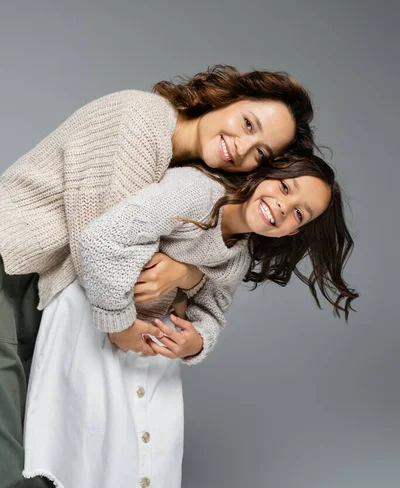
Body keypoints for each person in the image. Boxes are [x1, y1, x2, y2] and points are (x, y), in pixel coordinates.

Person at [0, 64, 315, 487]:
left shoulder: (184, 168)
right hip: (8, 264)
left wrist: (187, 275)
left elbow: (156, 256)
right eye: (247, 123)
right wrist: (123, 323)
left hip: (34, 287)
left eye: (260, 152)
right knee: (9, 456)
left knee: (27, 448)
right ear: (227, 98)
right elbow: (107, 247)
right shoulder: (142, 119)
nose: (242, 148)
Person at [22, 154, 358, 488]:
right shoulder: (197, 191)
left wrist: (196, 340)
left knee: (144, 455)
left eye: (299, 213)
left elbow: (213, 311)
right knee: (84, 441)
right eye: (285, 187)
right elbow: (108, 239)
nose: (284, 207)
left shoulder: (238, 255)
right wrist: (127, 319)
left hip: (149, 346)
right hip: (95, 315)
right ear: (264, 174)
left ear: (295, 230)